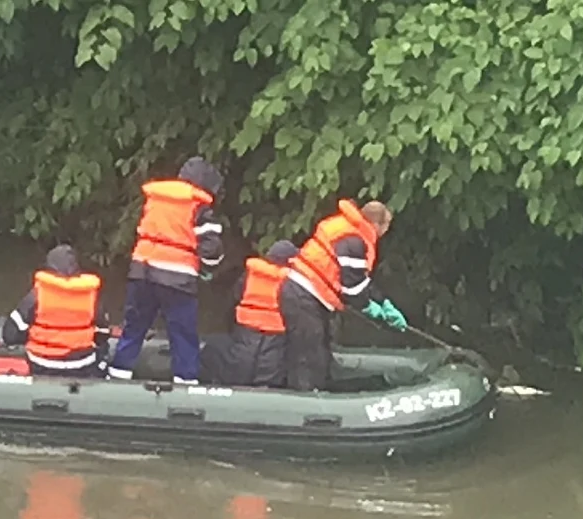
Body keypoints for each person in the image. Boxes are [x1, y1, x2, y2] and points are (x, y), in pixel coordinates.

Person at [106, 156, 225, 385]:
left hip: (141, 270)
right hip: (177, 277)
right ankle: (186, 381)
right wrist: (208, 269)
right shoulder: (198, 206)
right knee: (182, 332)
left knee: (134, 327)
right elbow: (210, 249)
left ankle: (118, 374)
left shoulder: (156, 199)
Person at [280, 199, 408, 391]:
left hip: (307, 295)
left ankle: (316, 393)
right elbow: (352, 287)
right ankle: (306, 403)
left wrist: (383, 302)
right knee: (309, 357)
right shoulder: (355, 241)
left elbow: (360, 280)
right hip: (304, 295)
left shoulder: (350, 231)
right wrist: (369, 307)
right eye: (386, 227)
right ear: (377, 224)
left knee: (320, 353)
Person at [200, 239, 298, 388]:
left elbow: (230, 307)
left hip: (242, 351)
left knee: (213, 345)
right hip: (274, 360)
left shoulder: (249, 277)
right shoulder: (293, 285)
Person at [2, 244, 109, 377]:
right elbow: (103, 334)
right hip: (81, 364)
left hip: (42, 364)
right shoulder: (92, 297)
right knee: (103, 351)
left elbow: (10, 334)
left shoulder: (36, 296)